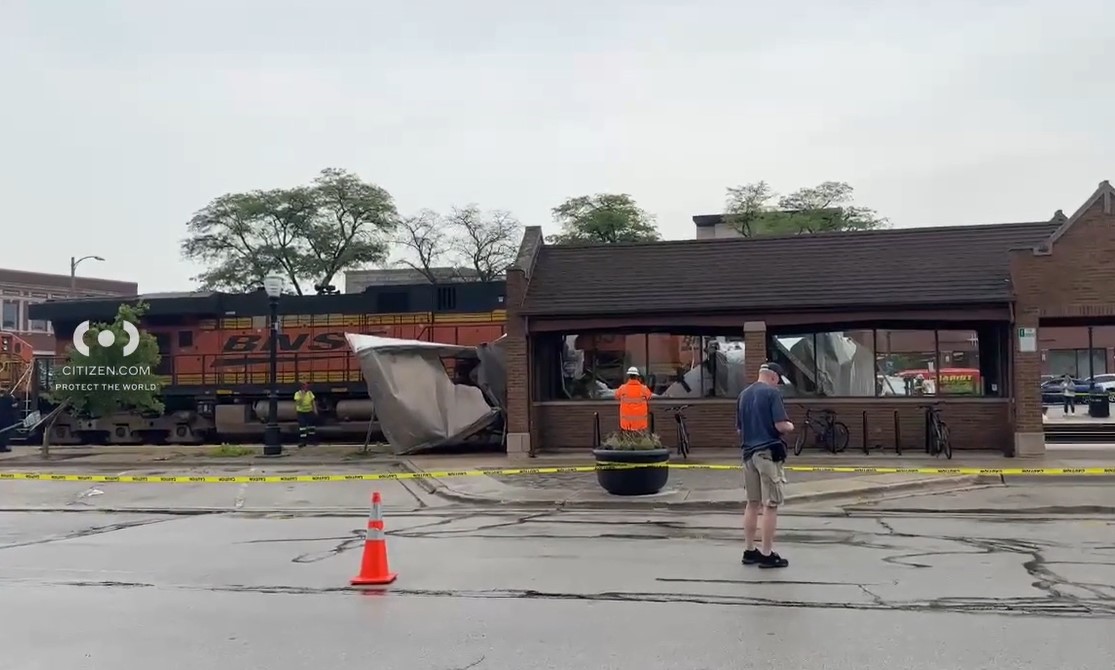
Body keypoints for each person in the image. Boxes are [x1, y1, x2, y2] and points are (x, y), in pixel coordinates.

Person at [737, 362, 794, 569]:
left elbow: (739, 429)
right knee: (771, 504)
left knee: (752, 504)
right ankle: (767, 554)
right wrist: (790, 426)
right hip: (767, 454)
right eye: (778, 381)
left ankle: (750, 550)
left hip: (748, 455)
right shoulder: (772, 394)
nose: (778, 384)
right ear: (774, 377)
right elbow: (780, 424)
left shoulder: (743, 395)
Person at [614, 367, 653, 432]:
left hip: (626, 423)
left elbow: (616, 396)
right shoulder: (643, 389)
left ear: (628, 376)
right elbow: (649, 396)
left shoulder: (622, 388)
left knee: (627, 439)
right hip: (640, 424)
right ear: (637, 377)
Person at [293, 381, 318, 447]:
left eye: (307, 387)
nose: (307, 388)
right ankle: (303, 442)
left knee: (311, 427)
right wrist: (302, 394)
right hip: (301, 412)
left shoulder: (310, 393)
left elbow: (313, 401)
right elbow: (298, 401)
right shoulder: (297, 394)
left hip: (309, 412)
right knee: (302, 427)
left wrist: (315, 410)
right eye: (305, 386)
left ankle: (312, 440)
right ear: (302, 387)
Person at [0, 386, 15, 453]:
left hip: (3, 418)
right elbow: (15, 406)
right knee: (5, 433)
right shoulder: (9, 398)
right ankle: (3, 447)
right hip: (6, 418)